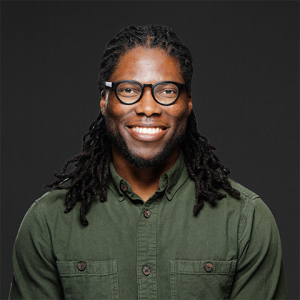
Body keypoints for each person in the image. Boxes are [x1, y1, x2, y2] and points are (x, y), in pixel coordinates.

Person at [9, 25, 288, 300]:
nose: (148, 107)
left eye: (166, 91)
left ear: (188, 102)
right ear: (104, 100)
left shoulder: (246, 221)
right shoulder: (47, 222)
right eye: (129, 90)